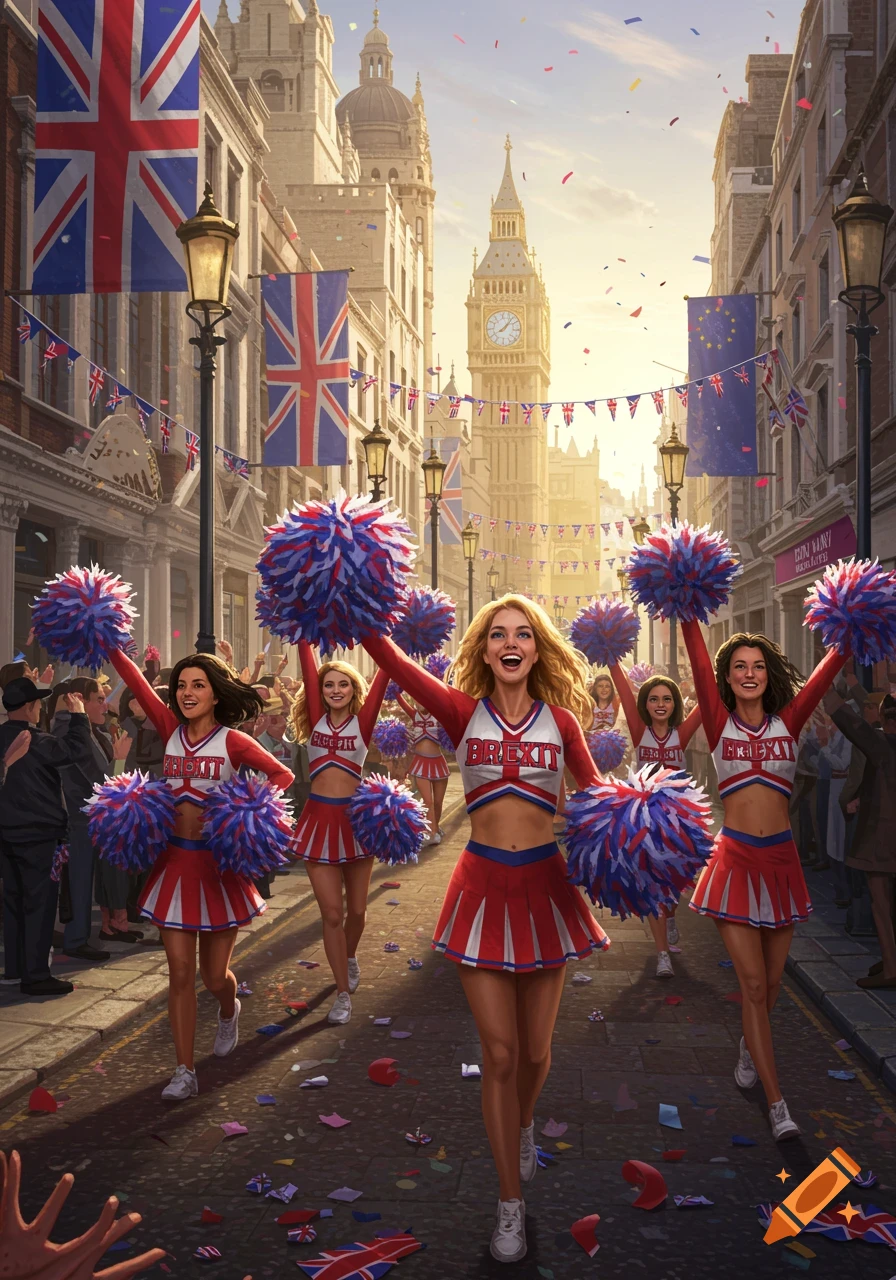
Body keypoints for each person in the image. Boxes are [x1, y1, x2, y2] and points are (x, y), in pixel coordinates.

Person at [364, 596, 609, 1265]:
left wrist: (634, 824)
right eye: (497, 634)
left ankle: (524, 1123)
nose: (510, 642)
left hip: (546, 890)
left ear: (536, 650)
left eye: (522, 634)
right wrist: (349, 593)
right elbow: (387, 655)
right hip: (480, 888)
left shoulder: (561, 721)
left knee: (534, 1054)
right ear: (484, 650)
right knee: (498, 1055)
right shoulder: (459, 711)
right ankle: (509, 1204)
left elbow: (596, 798)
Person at [107, 648, 294, 1101]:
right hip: (174, 865)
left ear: (215, 694)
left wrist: (244, 813)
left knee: (214, 977)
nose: (187, 694)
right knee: (179, 973)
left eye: (198, 686)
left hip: (217, 869)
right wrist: (110, 640)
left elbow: (282, 776)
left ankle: (228, 1008)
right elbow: (134, 682)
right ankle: (184, 1070)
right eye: (182, 686)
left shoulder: (232, 741)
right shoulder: (170, 728)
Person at [682, 624, 845, 1141]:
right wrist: (688, 610)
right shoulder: (717, 721)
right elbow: (698, 655)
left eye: (757, 666)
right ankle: (778, 1104)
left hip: (780, 863)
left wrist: (851, 626)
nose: (749, 674)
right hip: (734, 862)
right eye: (738, 668)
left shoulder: (789, 721)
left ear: (767, 674)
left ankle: (749, 1047)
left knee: (772, 986)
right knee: (752, 985)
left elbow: (825, 673)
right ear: (726, 679)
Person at [286, 644, 389, 1026]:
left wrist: (391, 639)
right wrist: (302, 632)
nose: (335, 690)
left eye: (343, 684)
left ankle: (348, 956)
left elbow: (384, 674)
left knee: (357, 912)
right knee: (332, 913)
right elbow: (306, 659)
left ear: (353, 690)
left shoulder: (362, 723)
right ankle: (342, 992)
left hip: (356, 823)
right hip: (318, 821)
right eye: (329, 684)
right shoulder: (315, 720)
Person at [0, 678, 92, 995]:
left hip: (5, 835)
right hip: (39, 836)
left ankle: (13, 969)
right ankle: (36, 975)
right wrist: (78, 716)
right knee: (39, 906)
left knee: (12, 903)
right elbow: (76, 751)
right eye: (38, 704)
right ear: (30, 707)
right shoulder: (39, 741)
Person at [608, 667, 702, 977]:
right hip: (645, 817)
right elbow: (623, 689)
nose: (660, 704)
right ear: (644, 705)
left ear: (675, 703)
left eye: (666, 699)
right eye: (653, 699)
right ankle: (662, 954)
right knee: (653, 883)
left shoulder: (682, 732)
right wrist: (610, 656)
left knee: (674, 883)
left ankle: (671, 916)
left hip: (679, 820)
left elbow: (708, 701)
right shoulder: (639, 730)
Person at [53, 677, 137, 957]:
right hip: (78, 818)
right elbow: (101, 780)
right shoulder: (71, 728)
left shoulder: (89, 729)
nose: (105, 704)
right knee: (78, 881)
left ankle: (80, 936)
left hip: (86, 817)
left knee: (85, 881)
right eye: (99, 699)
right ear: (81, 699)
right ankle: (76, 940)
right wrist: (121, 759)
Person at [824, 684, 896, 989]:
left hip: (883, 840)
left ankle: (892, 968)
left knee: (881, 906)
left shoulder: (882, 744)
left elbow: (850, 722)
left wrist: (825, 688)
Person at [395, 689, 449, 846]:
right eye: (415, 700)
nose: (418, 703)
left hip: (438, 763)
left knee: (438, 802)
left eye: (421, 699)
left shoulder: (437, 714)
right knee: (428, 801)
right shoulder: (414, 715)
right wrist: (394, 684)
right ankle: (430, 833)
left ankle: (435, 827)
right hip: (420, 763)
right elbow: (399, 699)